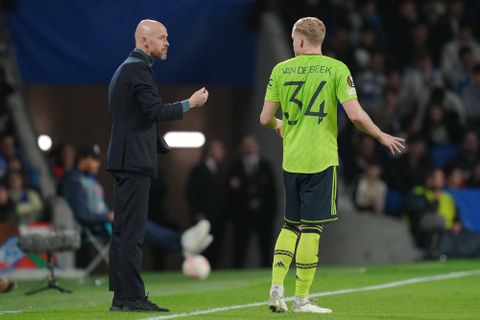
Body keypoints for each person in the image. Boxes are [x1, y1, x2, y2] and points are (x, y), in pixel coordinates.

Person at [260, 17, 405, 314]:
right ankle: (301, 299)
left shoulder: (280, 70)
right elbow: (354, 115)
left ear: (300, 40)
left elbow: (264, 119)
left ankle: (276, 289)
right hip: (321, 160)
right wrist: (380, 134)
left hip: (292, 160)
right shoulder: (336, 69)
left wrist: (280, 125)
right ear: (320, 40)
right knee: (312, 230)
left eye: (292, 40)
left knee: (290, 225)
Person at [106, 19, 208, 312]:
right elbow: (153, 111)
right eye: (162, 38)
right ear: (144, 40)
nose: (167, 43)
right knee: (132, 233)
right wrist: (190, 104)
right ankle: (131, 297)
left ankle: (123, 297)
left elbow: (132, 117)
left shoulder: (126, 68)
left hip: (127, 159)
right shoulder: (137, 69)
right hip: (133, 161)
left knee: (125, 232)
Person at [60, 144, 212, 267]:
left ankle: (183, 242)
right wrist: (106, 216)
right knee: (138, 224)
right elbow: (81, 213)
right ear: (82, 160)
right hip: (96, 227)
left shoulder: (90, 179)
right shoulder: (73, 181)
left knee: (138, 220)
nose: (98, 163)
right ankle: (183, 242)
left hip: (106, 222)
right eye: (93, 159)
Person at [228, 135, 277, 268]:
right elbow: (229, 192)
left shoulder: (266, 166)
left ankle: (266, 270)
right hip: (242, 213)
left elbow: (273, 191)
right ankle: (237, 270)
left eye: (252, 145)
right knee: (240, 245)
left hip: (263, 213)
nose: (249, 149)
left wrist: (272, 212)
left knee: (265, 244)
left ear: (257, 147)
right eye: (246, 146)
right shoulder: (235, 167)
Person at [186, 140, 227, 268]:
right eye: (219, 149)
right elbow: (190, 192)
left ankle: (212, 269)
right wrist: (197, 212)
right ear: (211, 151)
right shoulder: (199, 170)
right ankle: (196, 269)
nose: (222, 153)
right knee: (201, 245)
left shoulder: (220, 170)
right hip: (203, 216)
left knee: (216, 246)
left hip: (218, 217)